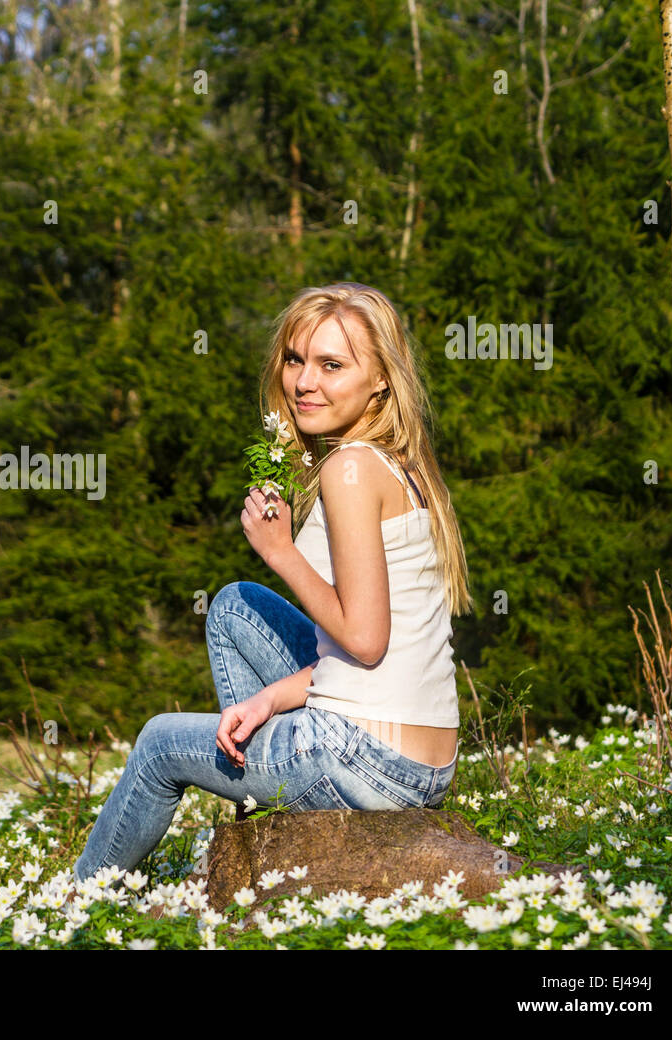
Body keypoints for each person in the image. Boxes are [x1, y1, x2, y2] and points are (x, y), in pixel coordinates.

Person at [72, 283, 474, 884]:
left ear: (383, 378)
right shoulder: (401, 462)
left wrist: (280, 552)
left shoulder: (351, 468)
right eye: (294, 360)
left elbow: (363, 640)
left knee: (158, 744)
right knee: (235, 606)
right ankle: (264, 812)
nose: (305, 382)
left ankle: (75, 904)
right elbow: (371, 658)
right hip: (425, 763)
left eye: (332, 365)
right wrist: (266, 700)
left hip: (367, 762)